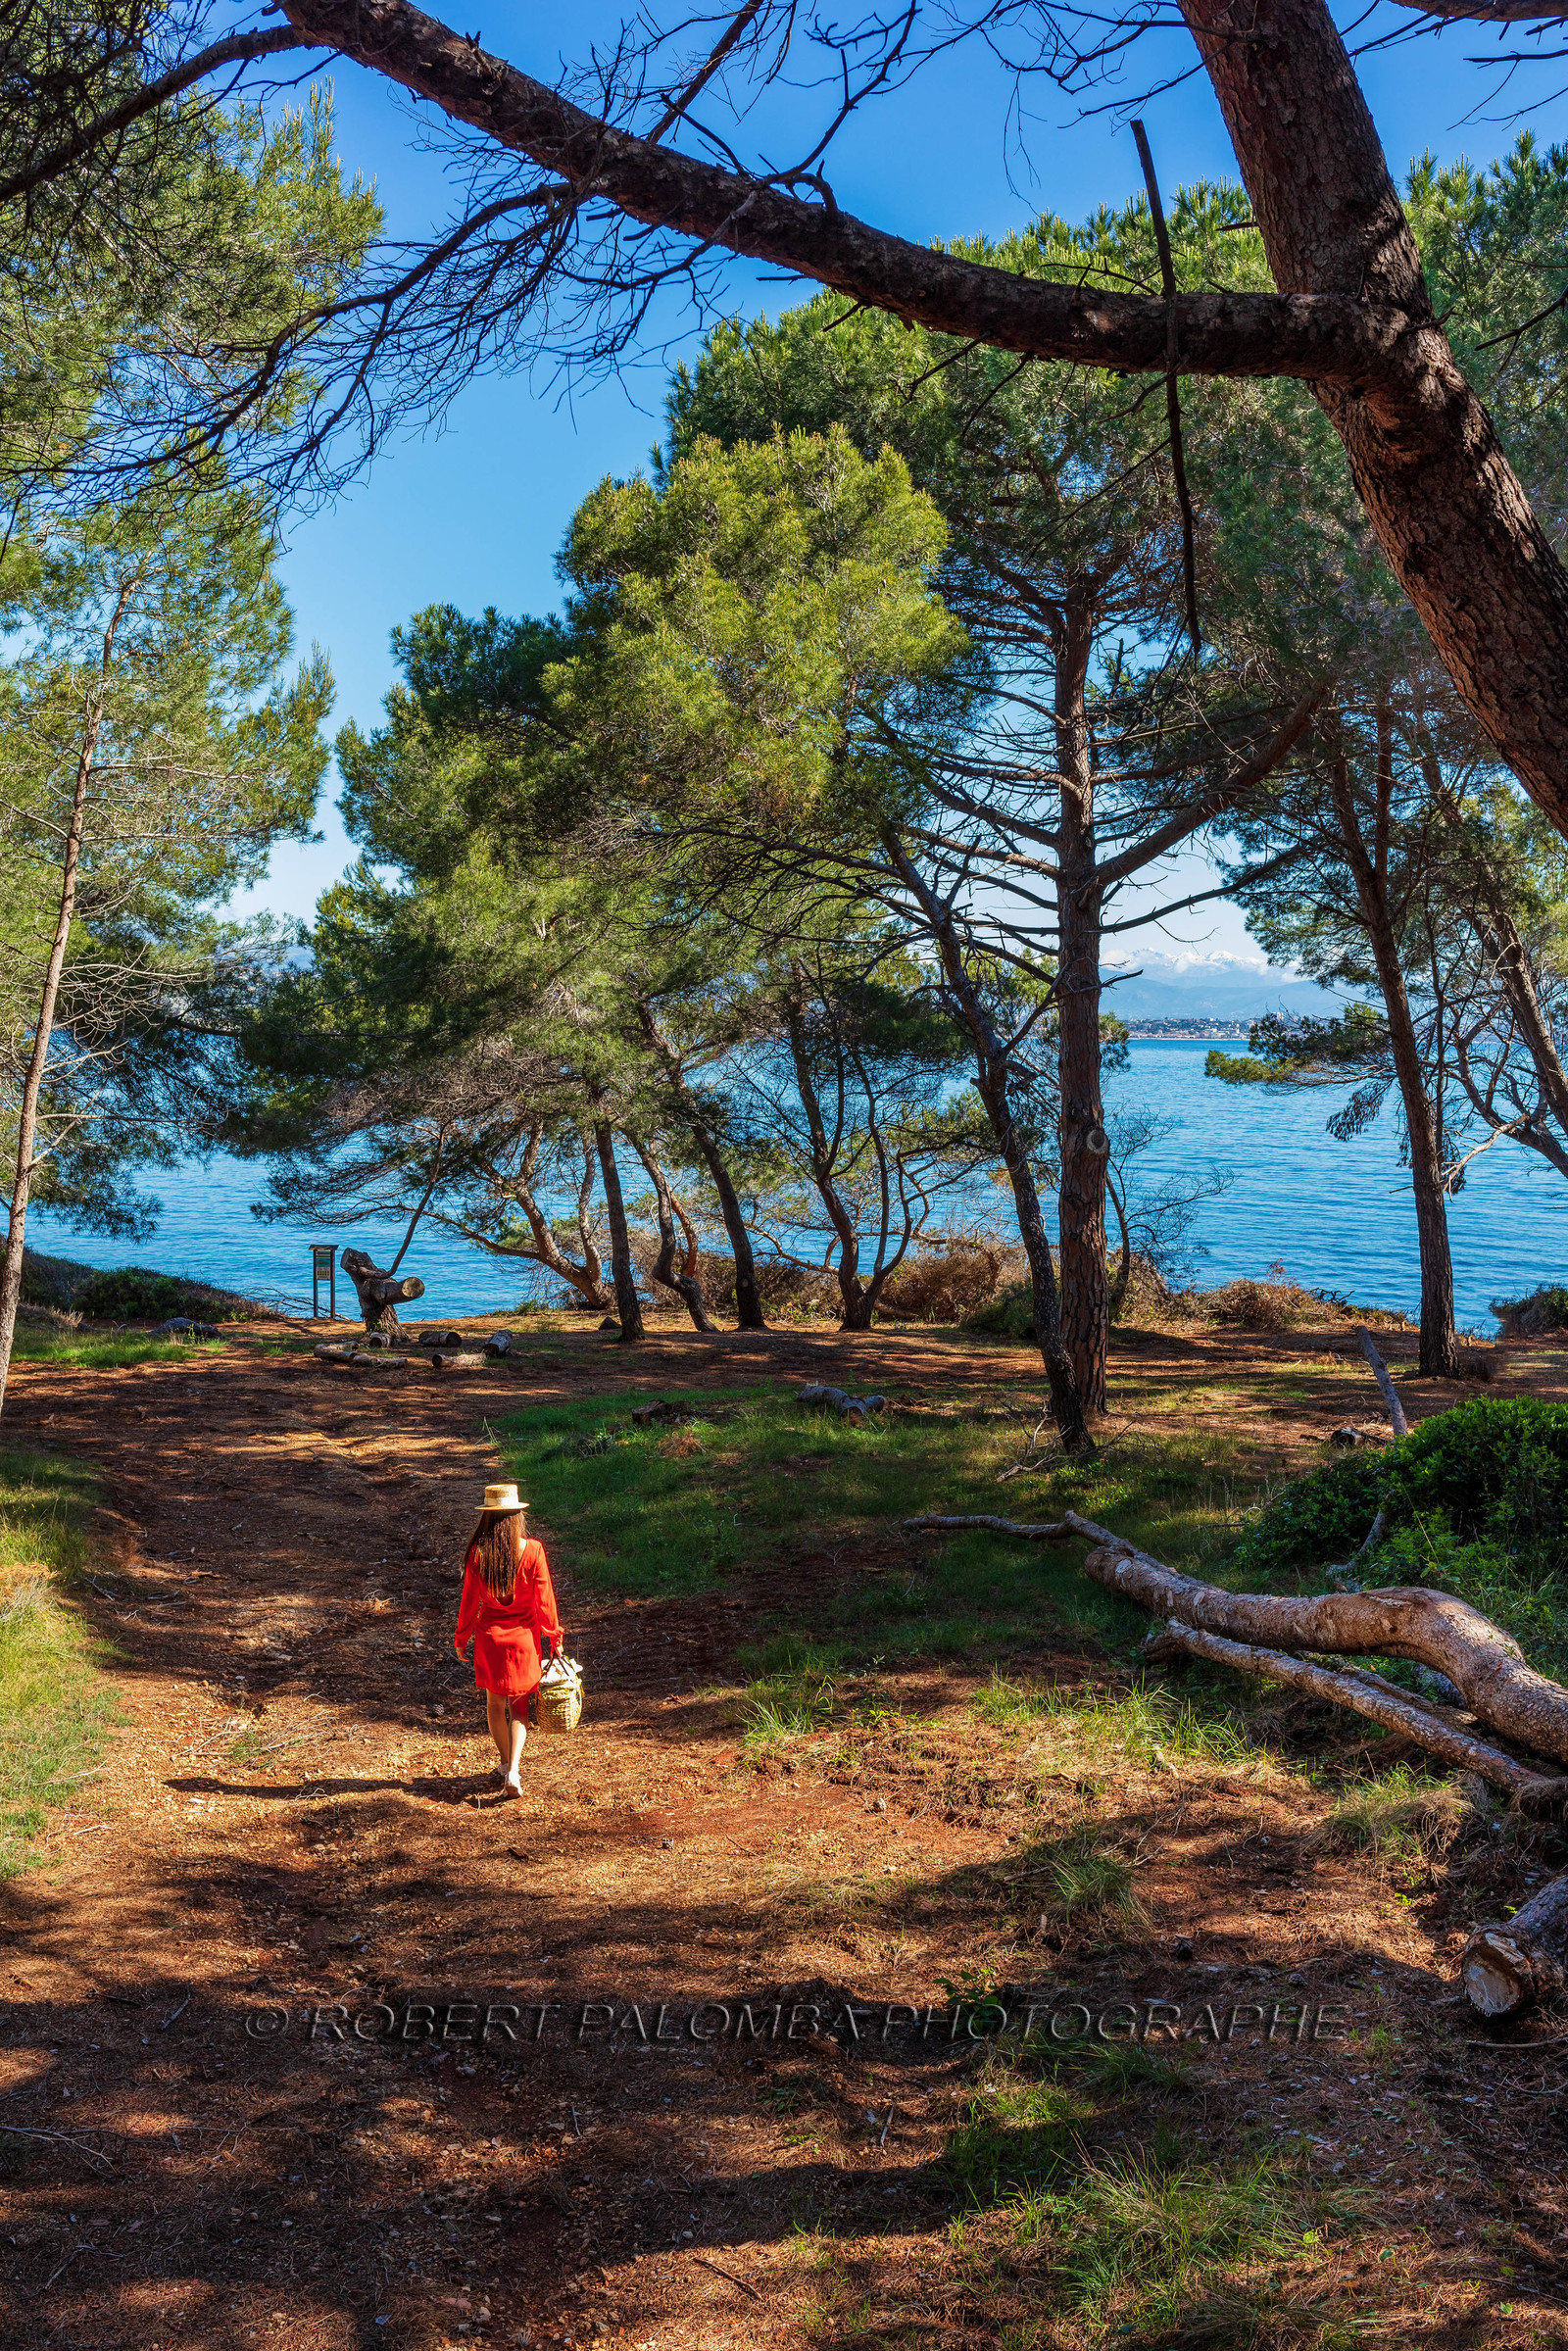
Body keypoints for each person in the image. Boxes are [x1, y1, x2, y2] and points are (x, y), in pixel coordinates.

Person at [453, 1482, 563, 1797]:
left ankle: (503, 1763)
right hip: (524, 1640)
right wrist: (554, 1637)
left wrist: (462, 1637)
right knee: (520, 1710)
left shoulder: (478, 1553)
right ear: (517, 1515)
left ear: (486, 1516)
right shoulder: (534, 1550)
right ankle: (514, 1770)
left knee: (494, 1704)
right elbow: (545, 1600)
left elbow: (469, 1602)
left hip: (490, 1639)